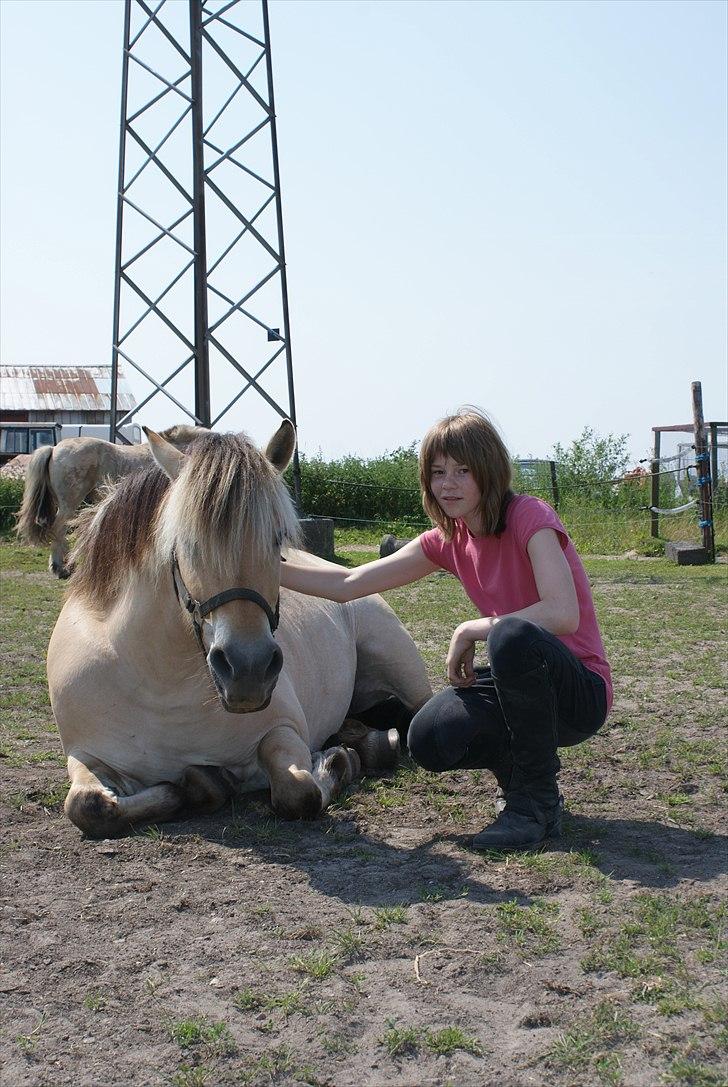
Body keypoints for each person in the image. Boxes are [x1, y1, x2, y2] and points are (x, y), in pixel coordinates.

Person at [280, 407, 611, 851]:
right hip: (521, 685)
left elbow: (561, 614)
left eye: (462, 471)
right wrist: (267, 567)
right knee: (428, 738)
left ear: (489, 472)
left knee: (510, 635)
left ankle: (535, 805)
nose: (448, 484)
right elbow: (348, 583)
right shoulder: (449, 538)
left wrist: (472, 629)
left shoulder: (530, 517)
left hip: (578, 691)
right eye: (438, 472)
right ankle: (519, 778)